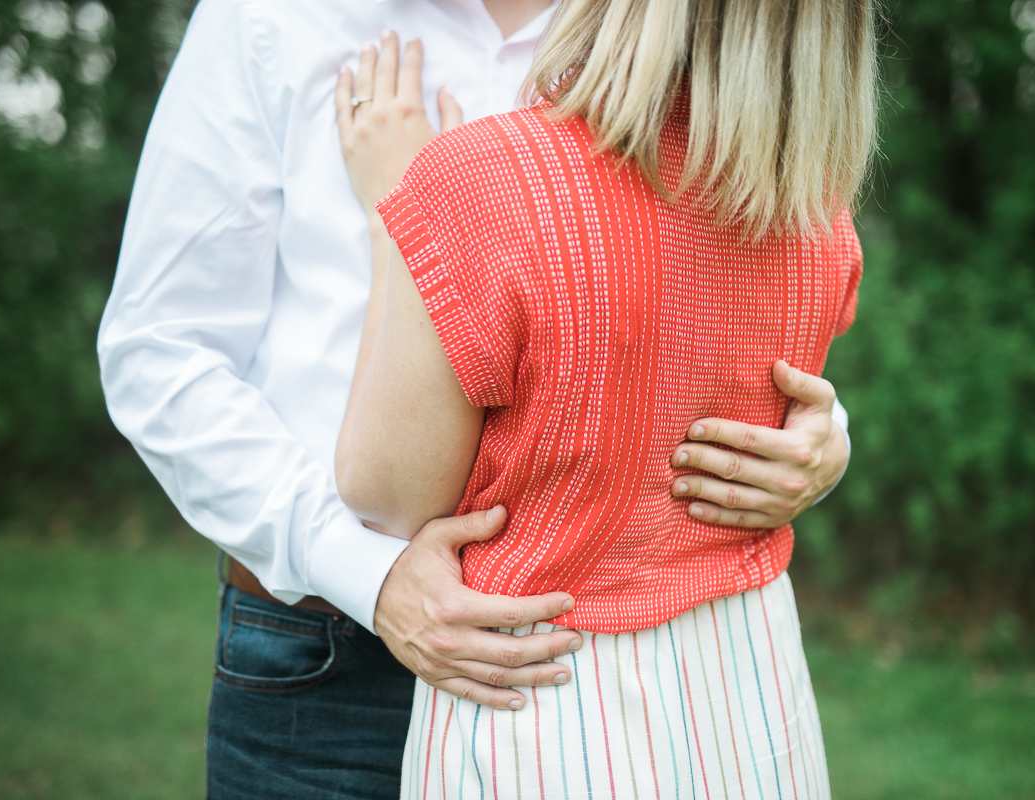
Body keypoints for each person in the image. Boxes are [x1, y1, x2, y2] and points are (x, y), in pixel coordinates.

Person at [97, 1, 852, 797]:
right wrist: (368, 575)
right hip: (322, 656)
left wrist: (821, 433)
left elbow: (724, 267)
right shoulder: (273, 17)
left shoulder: (654, 20)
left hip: (565, 668)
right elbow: (160, 352)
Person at [335, 0, 875, 797]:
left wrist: (394, 217)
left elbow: (387, 497)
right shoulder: (814, 211)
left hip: (544, 707)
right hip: (753, 693)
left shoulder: (480, 180)